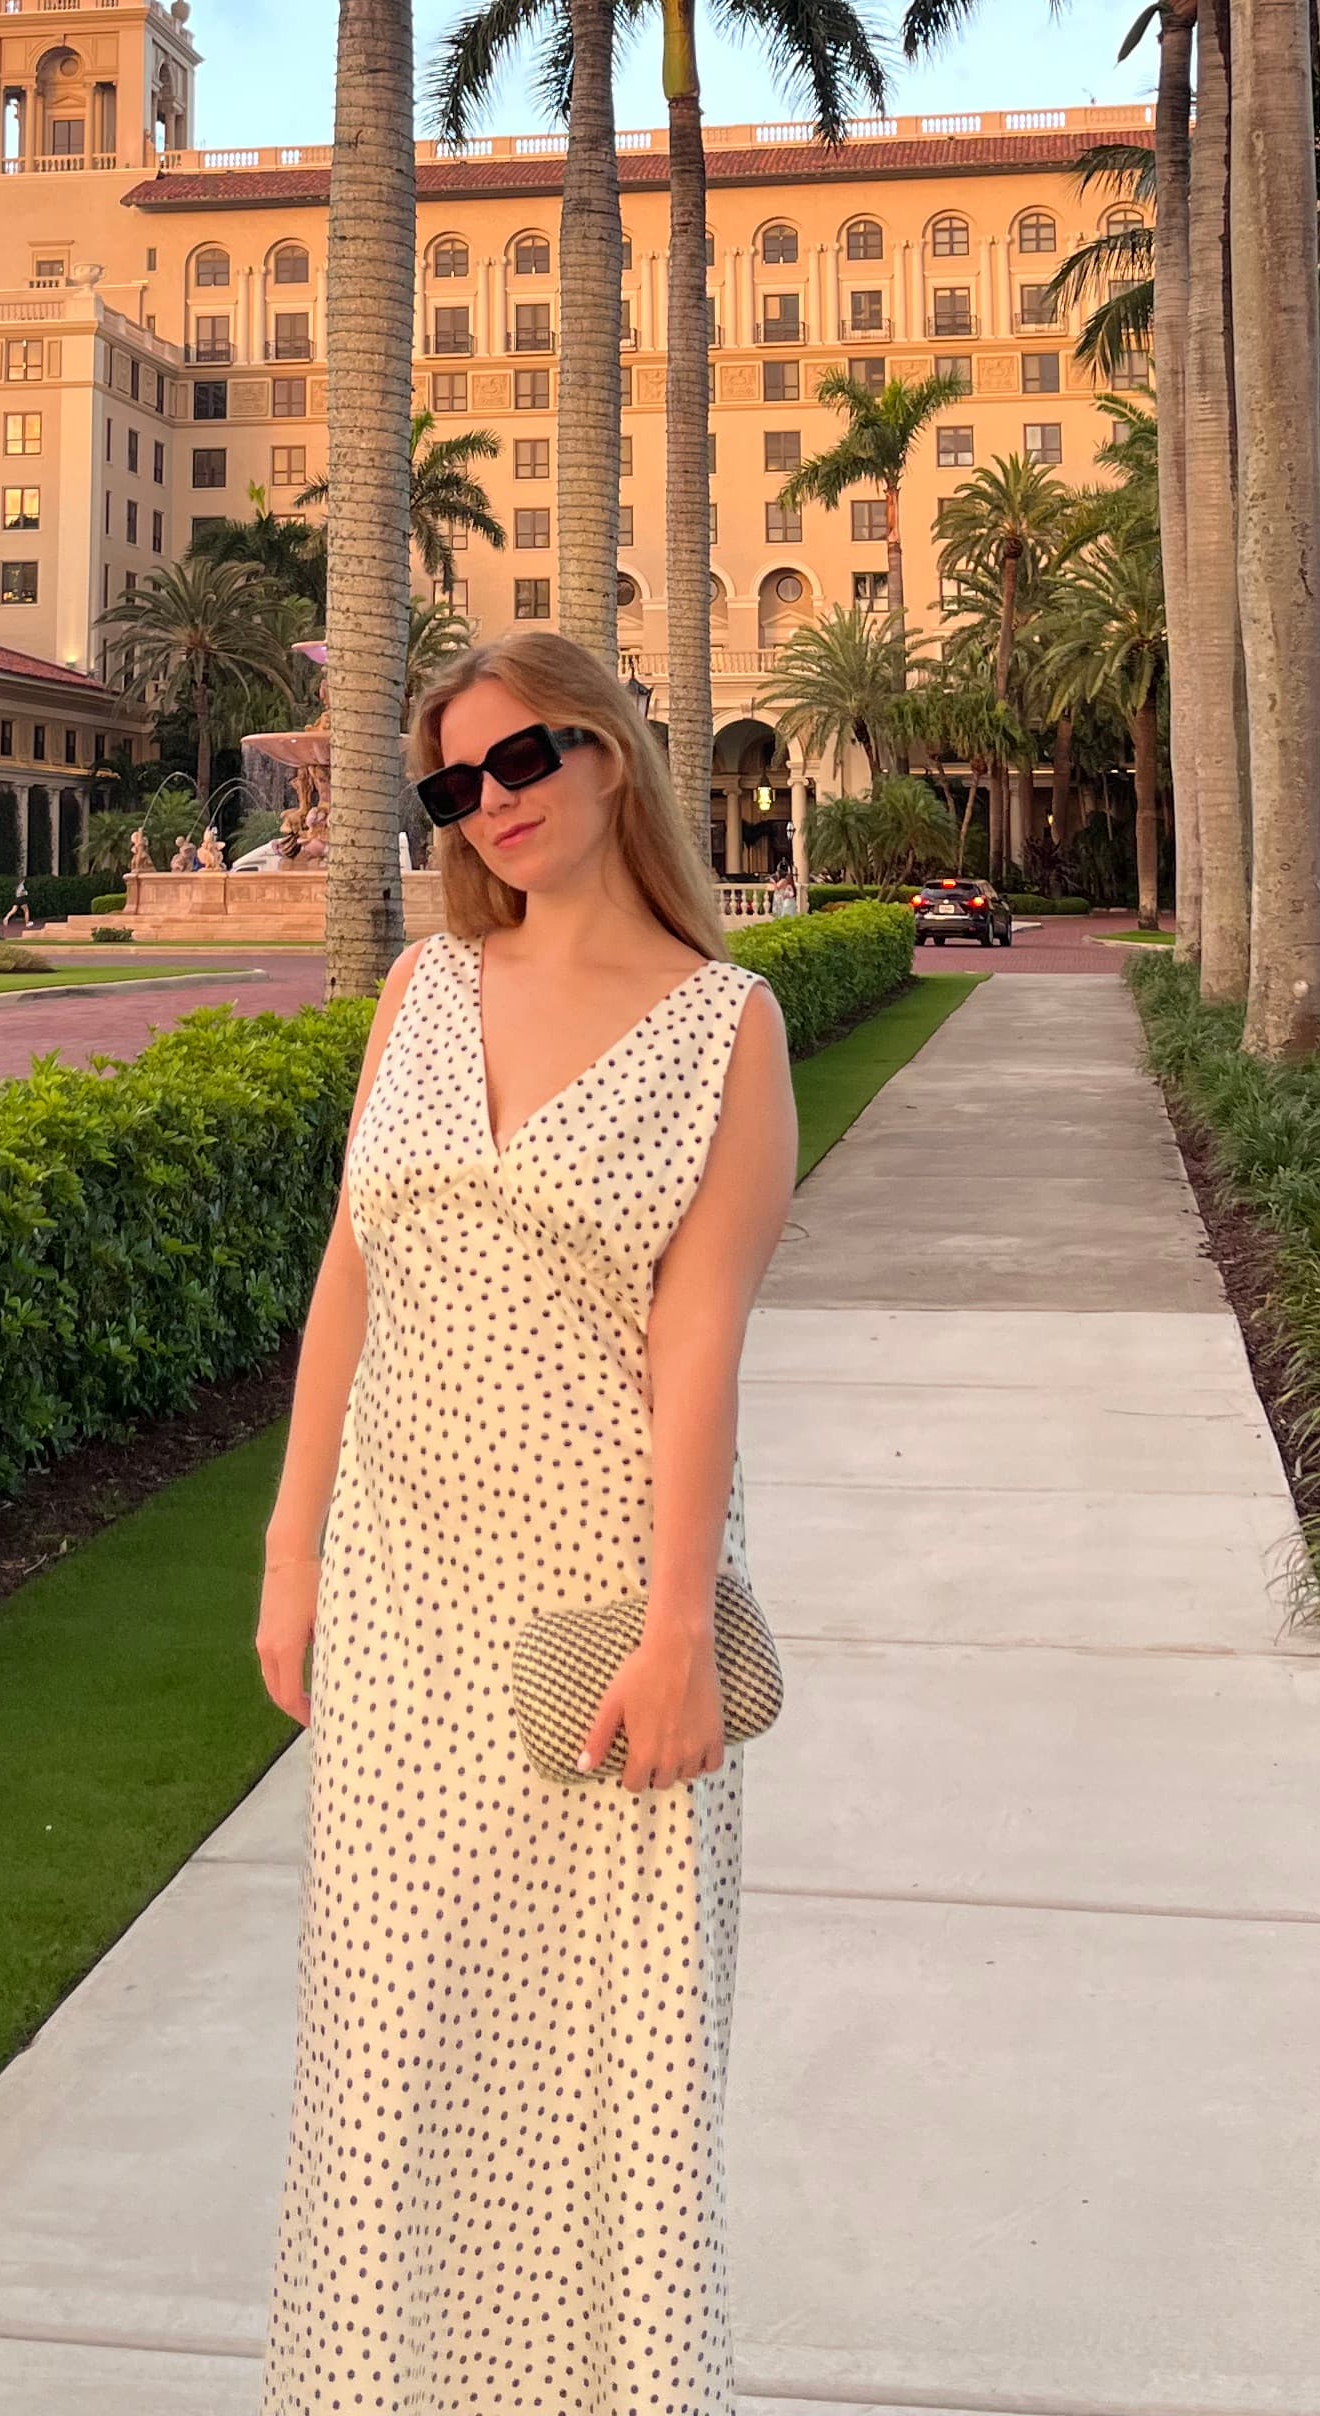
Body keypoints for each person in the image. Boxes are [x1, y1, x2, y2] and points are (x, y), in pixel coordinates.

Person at [255, 627, 798, 2414]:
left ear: (610, 754)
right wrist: (292, 1552)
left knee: (600, 2082)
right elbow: (352, 1274)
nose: (488, 805)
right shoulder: (422, 993)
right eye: (451, 784)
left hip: (595, 1619)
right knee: (394, 2061)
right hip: (405, 1607)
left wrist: (672, 1632)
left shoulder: (726, 1025)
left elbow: (699, 1352)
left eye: (521, 762)